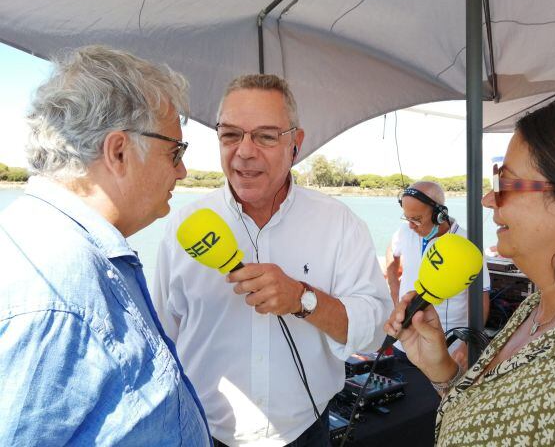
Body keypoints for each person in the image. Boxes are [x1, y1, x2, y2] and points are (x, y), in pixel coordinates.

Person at [152, 74, 392, 447]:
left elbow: (375, 330)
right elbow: (162, 339)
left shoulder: (340, 223)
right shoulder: (181, 229)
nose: (245, 151)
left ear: (296, 143)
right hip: (202, 433)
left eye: (265, 136)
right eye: (231, 134)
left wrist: (303, 299)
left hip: (306, 433)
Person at [385, 101, 555, 445]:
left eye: (506, 184)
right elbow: (498, 422)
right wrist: (442, 371)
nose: (487, 199)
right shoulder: (537, 308)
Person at [0, 46, 211, 445]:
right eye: (175, 151)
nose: (182, 171)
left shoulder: (61, 248)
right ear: (118, 152)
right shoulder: (57, 293)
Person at [385, 181, 490, 366]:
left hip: (447, 351)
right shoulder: (405, 231)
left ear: (440, 215)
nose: (411, 226)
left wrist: (468, 344)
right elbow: (391, 257)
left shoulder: (467, 245)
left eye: (417, 219)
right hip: (404, 344)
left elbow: (481, 296)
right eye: (407, 218)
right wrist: (395, 296)